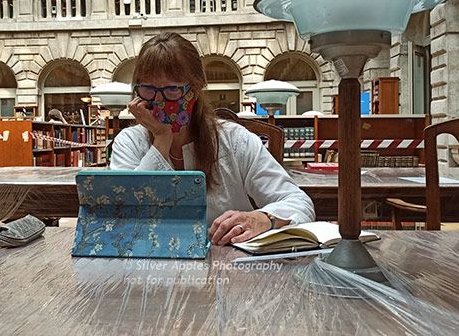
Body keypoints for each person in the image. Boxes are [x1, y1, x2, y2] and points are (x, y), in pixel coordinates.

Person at [109, 32, 314, 246]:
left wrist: (263, 219)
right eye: (148, 89)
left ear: (196, 89)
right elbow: (124, 218)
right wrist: (162, 137)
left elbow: (300, 204)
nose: (158, 100)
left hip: (228, 269)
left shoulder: (235, 141)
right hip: (151, 269)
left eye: (172, 89)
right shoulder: (129, 142)